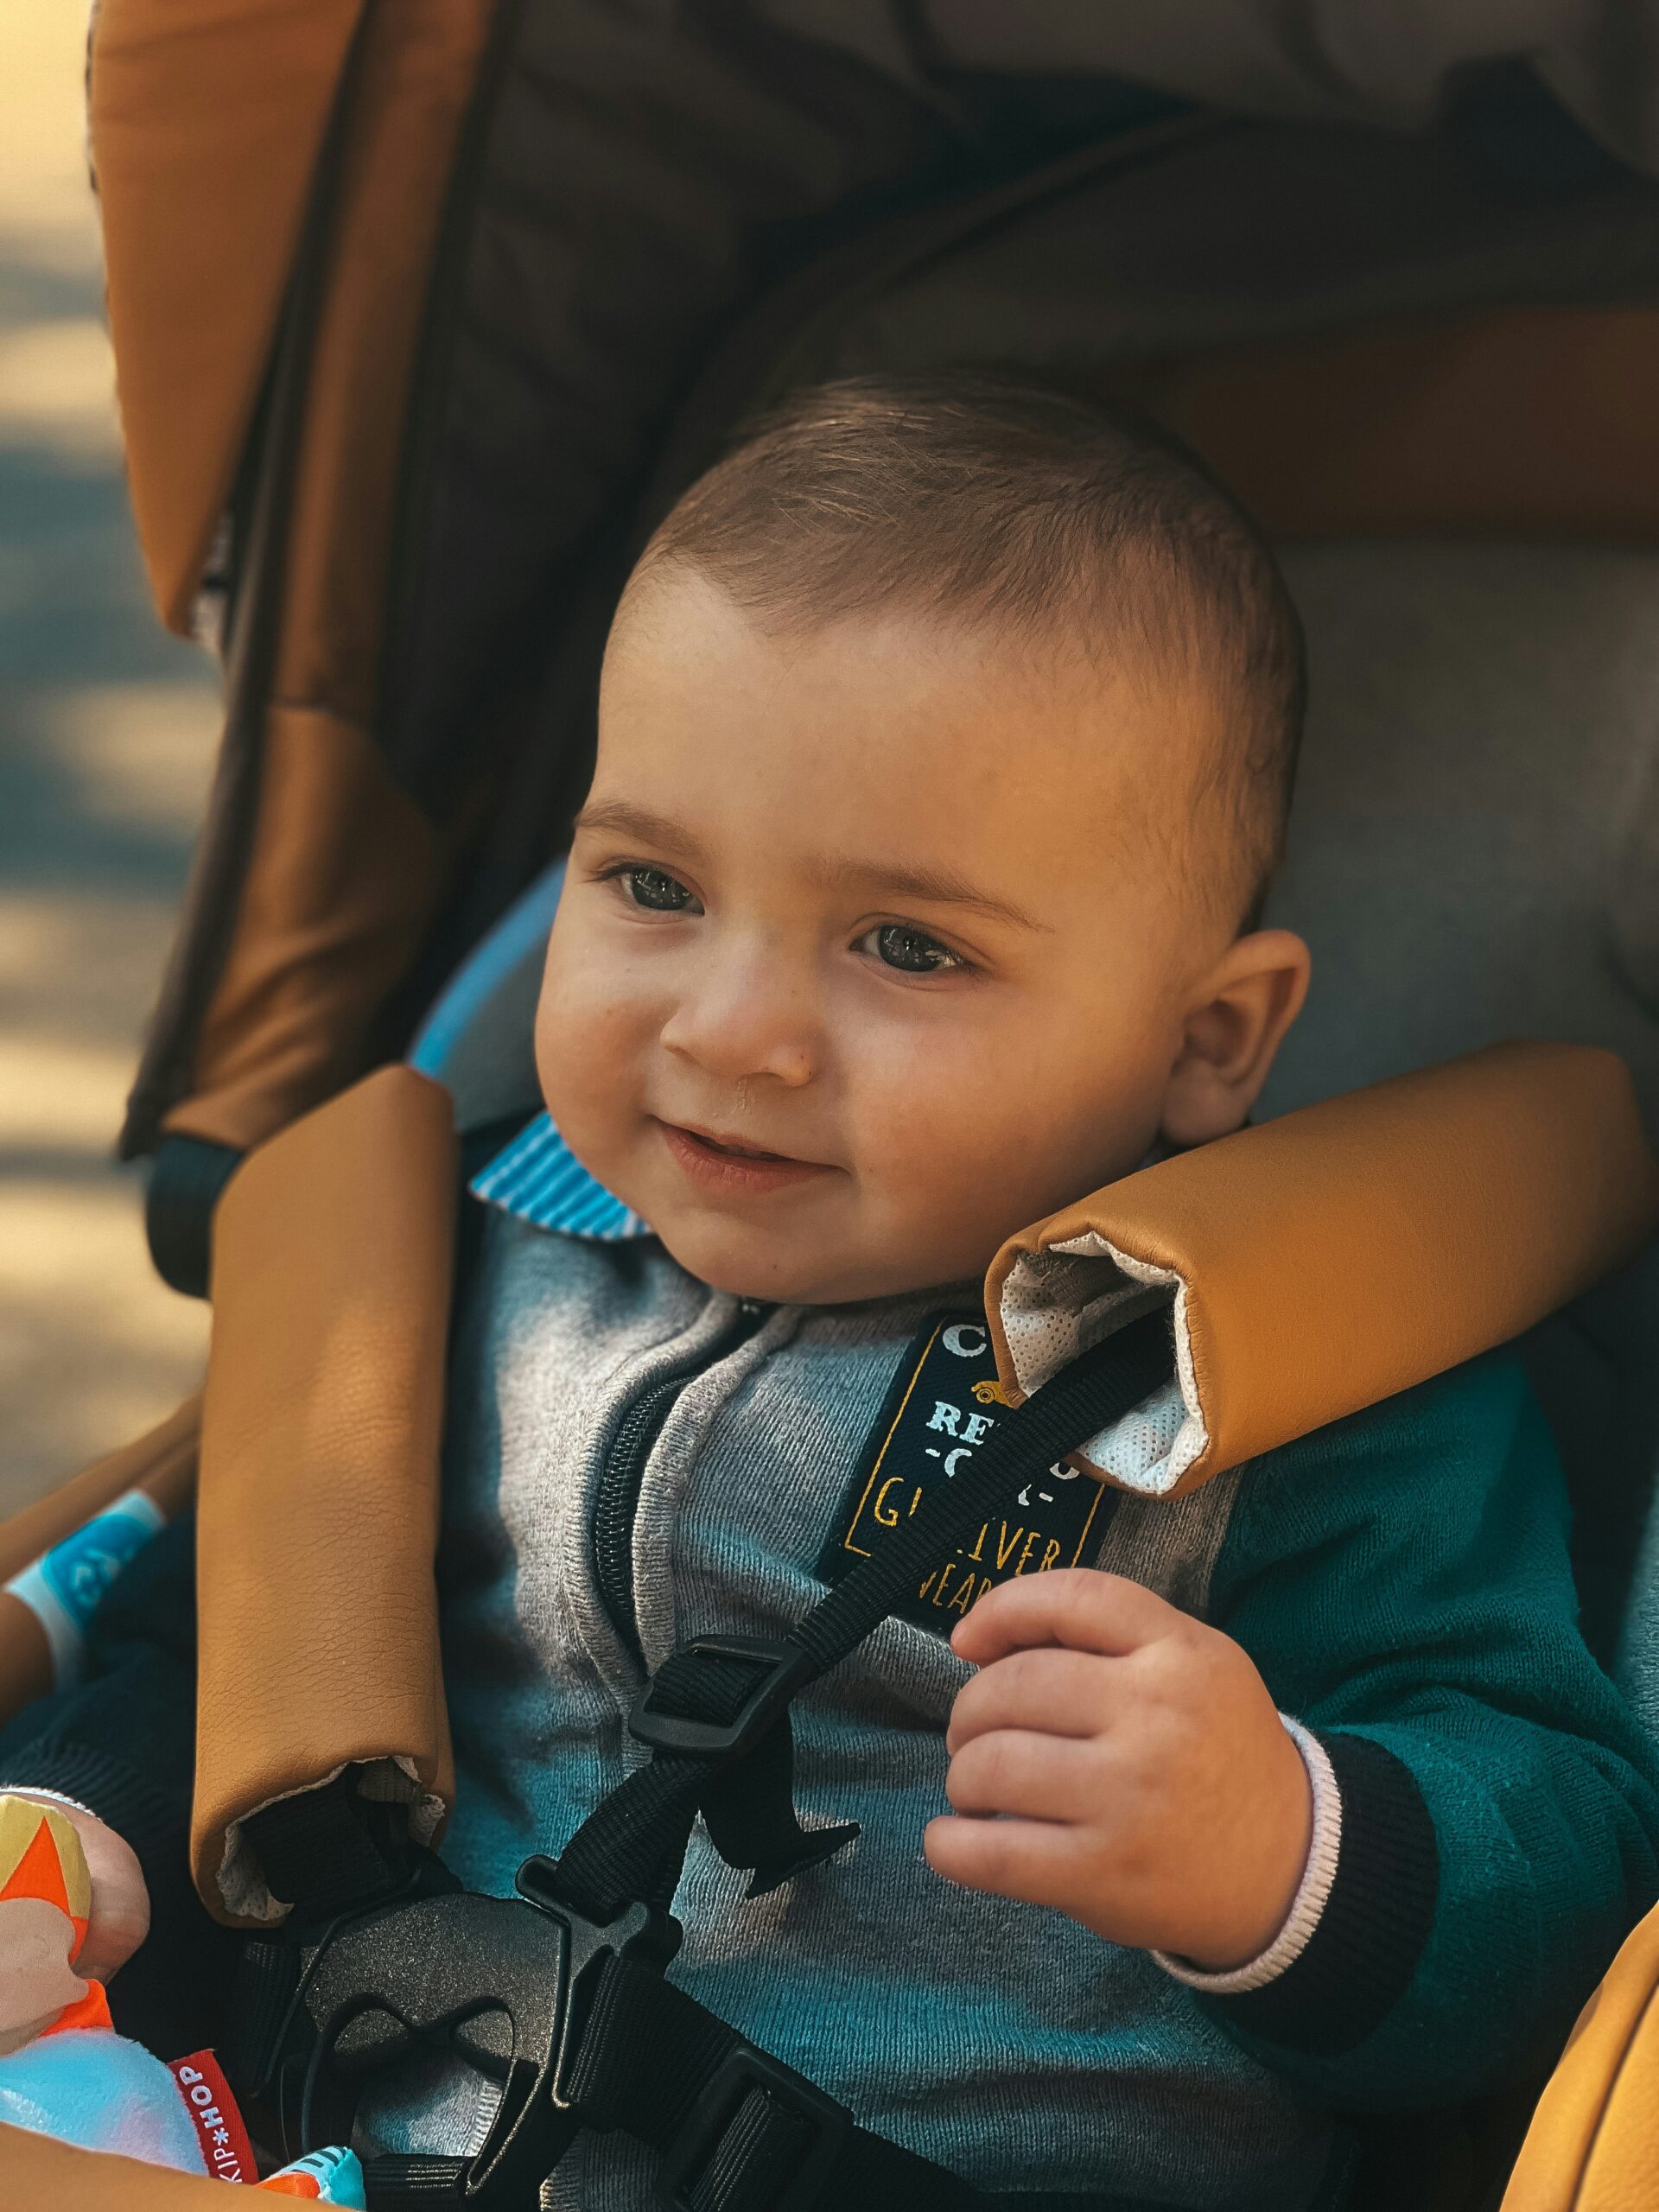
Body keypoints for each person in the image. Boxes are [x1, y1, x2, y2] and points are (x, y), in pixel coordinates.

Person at [6, 372, 1659, 2210]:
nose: (733, 1028)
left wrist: (1278, 1842)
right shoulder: (466, 1264)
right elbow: (218, 1635)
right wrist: (85, 1827)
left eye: (906, 944)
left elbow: (1564, 1835)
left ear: (1208, 1039)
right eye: (650, 882)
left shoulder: (1301, 1384)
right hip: (337, 2131)